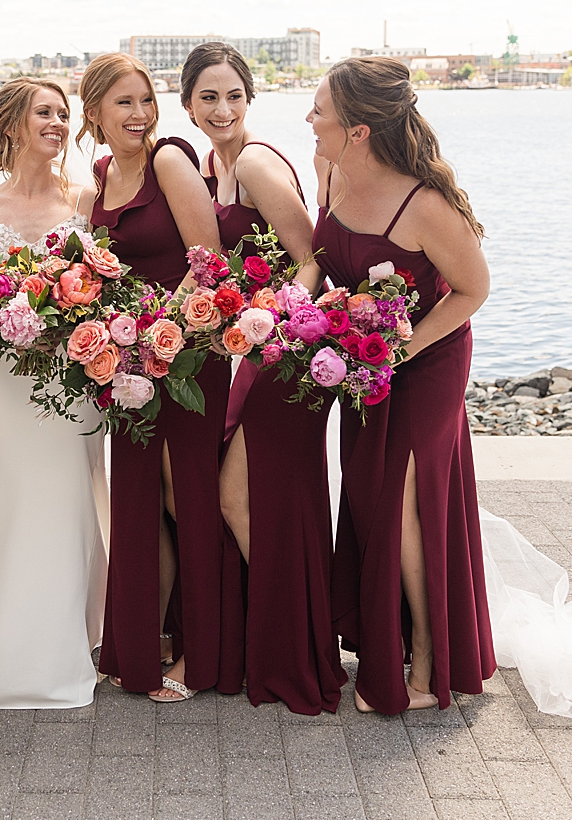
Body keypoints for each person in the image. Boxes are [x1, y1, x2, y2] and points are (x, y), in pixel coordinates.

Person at [307, 55, 495, 713]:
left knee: (407, 508)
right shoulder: (327, 171)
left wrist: (401, 345)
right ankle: (388, 636)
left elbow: (473, 290)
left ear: (358, 128)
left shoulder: (426, 203)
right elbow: (322, 265)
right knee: (365, 493)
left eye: (321, 110)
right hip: (363, 361)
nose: (310, 119)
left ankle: (428, 668)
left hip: (429, 362)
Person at [182, 43, 347, 714]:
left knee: (236, 500)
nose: (222, 109)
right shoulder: (208, 165)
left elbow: (314, 255)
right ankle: (290, 642)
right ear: (188, 103)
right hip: (259, 352)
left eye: (234, 96)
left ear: (250, 100)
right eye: (209, 97)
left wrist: (266, 323)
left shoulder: (251, 160)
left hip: (283, 354)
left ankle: (295, 648)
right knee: (267, 503)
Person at [83, 52, 238, 703]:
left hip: (188, 358)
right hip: (130, 369)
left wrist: (159, 340)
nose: (140, 114)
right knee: (146, 504)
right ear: (94, 112)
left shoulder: (168, 160)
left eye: (146, 100)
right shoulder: (101, 176)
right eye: (124, 102)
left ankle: (206, 655)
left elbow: (209, 264)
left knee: (188, 499)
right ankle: (147, 641)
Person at [0, 78, 109, 710]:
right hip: (3, 381)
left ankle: (74, 645)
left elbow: (106, 282)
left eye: (62, 113)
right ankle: (8, 651)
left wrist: (70, 324)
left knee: (73, 501)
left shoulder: (86, 198)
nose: (56, 122)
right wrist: (10, 318)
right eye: (44, 112)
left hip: (73, 376)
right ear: (12, 125)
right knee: (15, 499)